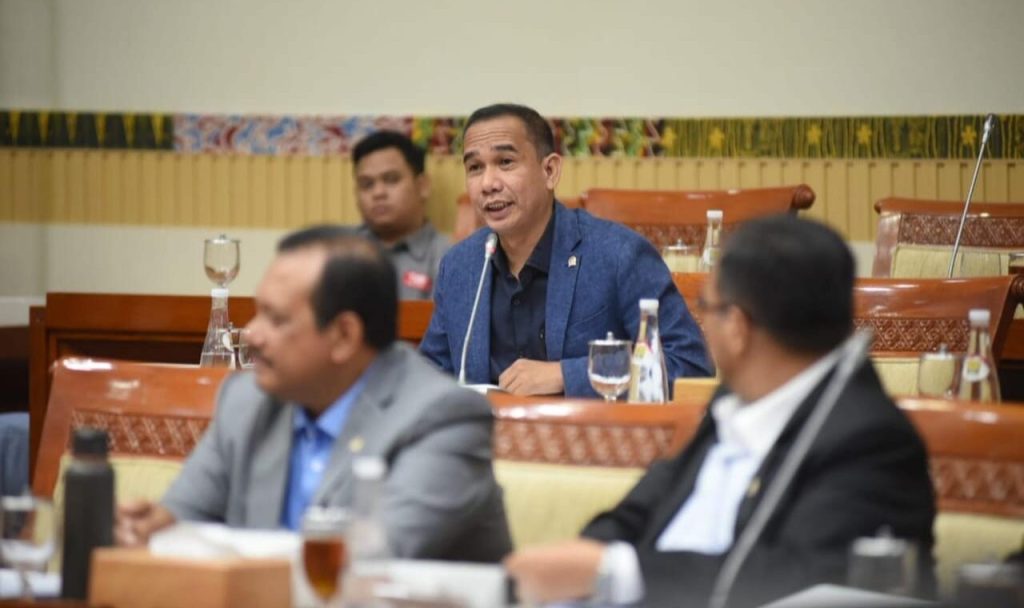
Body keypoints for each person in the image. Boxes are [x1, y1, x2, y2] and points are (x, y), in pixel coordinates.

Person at [505, 215, 937, 607]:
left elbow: (795, 581)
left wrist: (617, 571)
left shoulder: (870, 442)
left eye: (706, 309)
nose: (704, 324)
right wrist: (584, 559)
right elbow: (644, 506)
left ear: (737, 327)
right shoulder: (735, 399)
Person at [116, 227, 511, 562]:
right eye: (257, 312)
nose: (251, 334)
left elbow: (368, 565)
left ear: (344, 336)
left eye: (276, 319)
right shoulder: (246, 401)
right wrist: (146, 531)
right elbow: (178, 520)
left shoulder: (442, 418)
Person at [419, 103, 711, 396]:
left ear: (550, 171)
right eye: (475, 168)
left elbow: (688, 365)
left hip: (586, 425)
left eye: (505, 162)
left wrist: (567, 375)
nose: (488, 183)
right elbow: (427, 377)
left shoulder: (619, 255)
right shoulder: (461, 266)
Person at [352, 130, 449, 299]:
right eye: (367, 184)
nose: (378, 193)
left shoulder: (450, 256)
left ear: (423, 186)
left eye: (391, 179)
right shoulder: (338, 253)